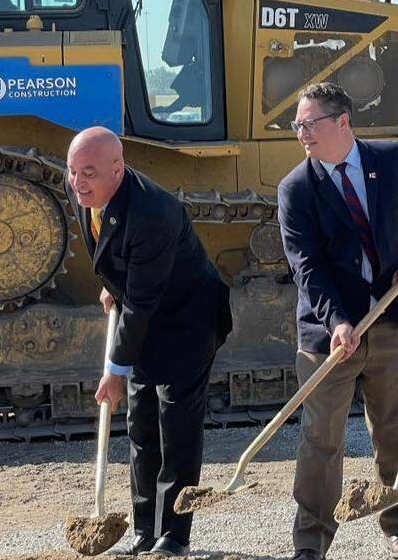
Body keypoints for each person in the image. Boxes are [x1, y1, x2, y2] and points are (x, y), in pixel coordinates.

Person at [65, 127, 232, 557]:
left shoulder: (153, 211)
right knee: (141, 427)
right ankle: (144, 531)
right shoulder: (84, 193)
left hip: (186, 322)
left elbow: (141, 302)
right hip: (144, 310)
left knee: (176, 430)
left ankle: (174, 536)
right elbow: (114, 256)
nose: (78, 182)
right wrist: (113, 284)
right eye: (72, 171)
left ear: (117, 169)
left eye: (88, 172)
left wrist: (115, 371)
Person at [277, 82, 398, 560]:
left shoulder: (395, 161)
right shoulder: (296, 189)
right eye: (296, 124)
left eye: (309, 123)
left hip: (390, 322)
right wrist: (338, 320)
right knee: (321, 441)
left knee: (396, 430)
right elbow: (307, 267)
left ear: (343, 122)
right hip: (329, 335)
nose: (301, 133)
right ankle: (312, 542)